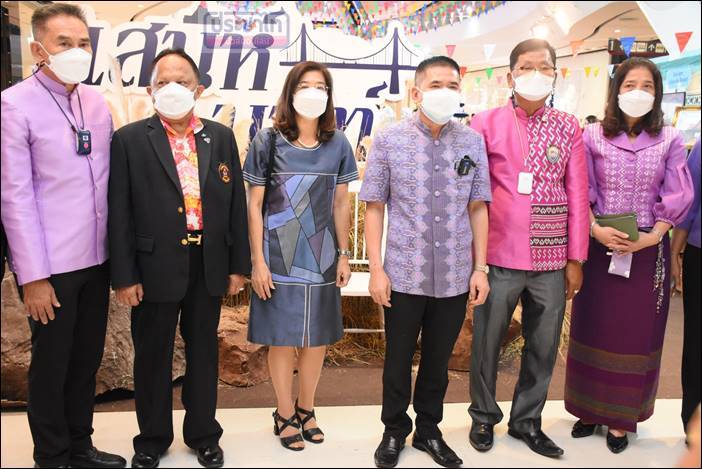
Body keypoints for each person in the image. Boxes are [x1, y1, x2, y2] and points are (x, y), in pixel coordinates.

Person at [108, 48, 251, 468]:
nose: (173, 89)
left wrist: (237, 264)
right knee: (152, 355)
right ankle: (152, 438)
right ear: (151, 90)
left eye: (182, 81)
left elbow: (235, 207)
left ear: (199, 88)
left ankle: (204, 434)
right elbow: (119, 211)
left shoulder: (220, 137)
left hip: (207, 265)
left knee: (204, 353)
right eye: (163, 82)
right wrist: (123, 275)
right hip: (152, 269)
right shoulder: (130, 139)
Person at [0, 4, 126, 468]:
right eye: (64, 43)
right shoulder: (13, 105)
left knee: (85, 360)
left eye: (83, 43)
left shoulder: (95, 101)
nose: (77, 52)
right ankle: (51, 456)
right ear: (38, 49)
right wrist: (32, 277)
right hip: (51, 267)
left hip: (98, 259)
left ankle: (80, 444)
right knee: (51, 366)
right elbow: (14, 197)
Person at [361, 56, 491, 469]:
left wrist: (480, 267)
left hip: (453, 275)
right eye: (436, 84)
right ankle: (394, 430)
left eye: (452, 85)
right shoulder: (389, 139)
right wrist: (376, 268)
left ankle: (429, 431)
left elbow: (478, 207)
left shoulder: (471, 142)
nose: (445, 92)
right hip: (403, 272)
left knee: (438, 361)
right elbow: (375, 206)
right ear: (417, 92)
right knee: (397, 359)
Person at [564, 57, 693, 453]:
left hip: (645, 251)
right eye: (629, 84)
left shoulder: (670, 138)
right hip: (600, 248)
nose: (638, 92)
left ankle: (620, 420)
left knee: (634, 333)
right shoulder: (591, 135)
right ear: (616, 90)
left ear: (656, 95)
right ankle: (588, 410)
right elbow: (579, 187)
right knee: (593, 326)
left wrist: (652, 237)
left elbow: (679, 191)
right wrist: (593, 228)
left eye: (648, 86)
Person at [468, 38, 589, 458]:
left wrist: (576, 258)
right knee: (486, 340)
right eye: (526, 67)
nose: (535, 74)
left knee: (543, 343)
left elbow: (577, 193)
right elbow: (472, 195)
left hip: (552, 257)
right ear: (510, 75)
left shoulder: (569, 126)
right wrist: (475, 260)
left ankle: (526, 421)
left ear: (555, 74)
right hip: (498, 254)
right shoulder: (483, 123)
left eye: (544, 67)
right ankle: (483, 417)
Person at [243, 61, 358, 452]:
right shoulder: (268, 140)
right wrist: (257, 261)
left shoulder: (338, 143)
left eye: (320, 86)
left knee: (316, 339)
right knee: (282, 338)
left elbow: (341, 203)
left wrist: (344, 255)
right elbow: (253, 204)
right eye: (305, 85)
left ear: (329, 95)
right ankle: (283, 411)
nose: (313, 91)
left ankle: (307, 409)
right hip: (278, 257)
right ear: (290, 92)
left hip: (322, 254)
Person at [672, 139, 701, 436]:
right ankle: (693, 423)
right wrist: (673, 254)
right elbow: (689, 204)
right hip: (700, 252)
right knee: (696, 341)